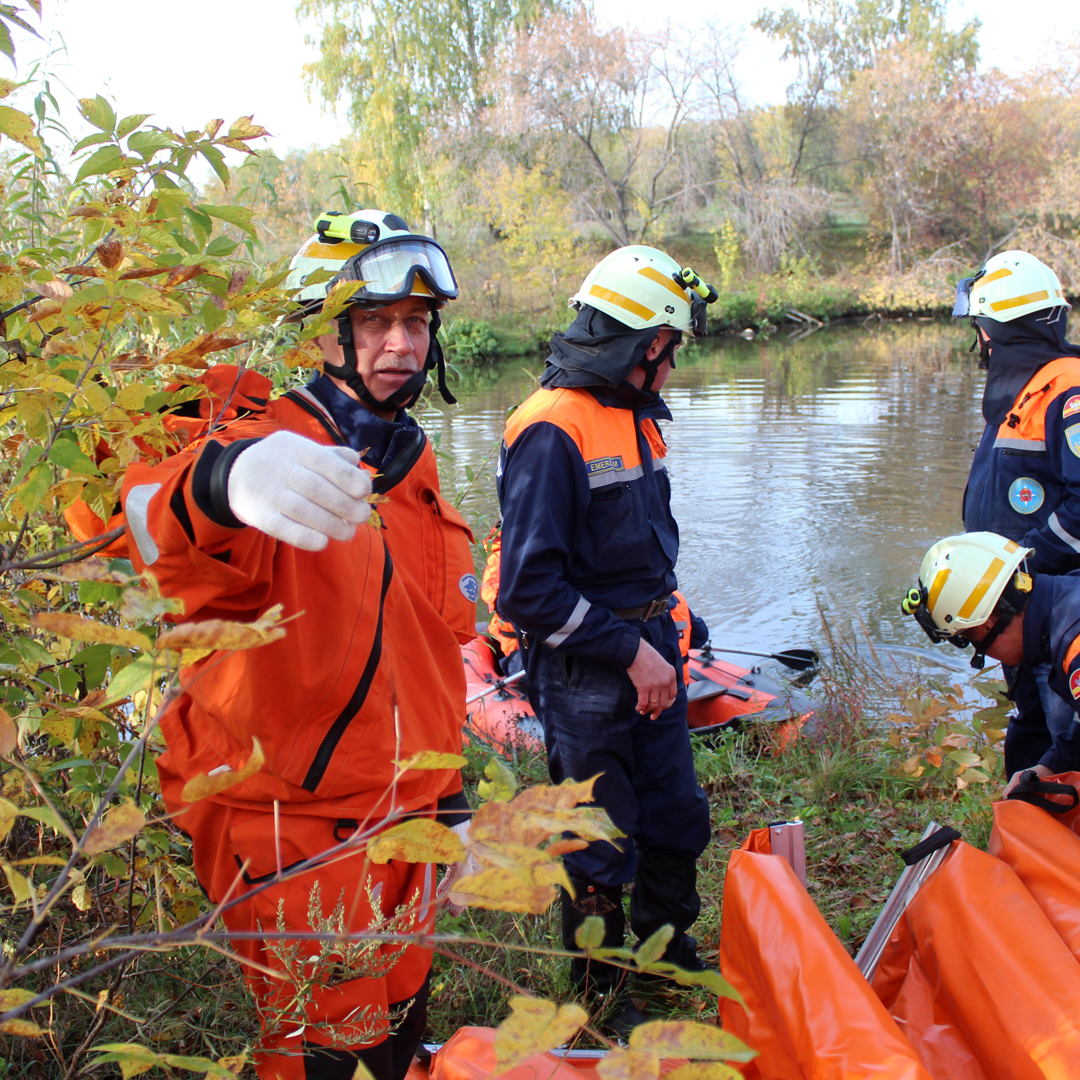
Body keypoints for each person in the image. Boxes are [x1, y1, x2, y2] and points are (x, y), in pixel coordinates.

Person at [118, 209, 476, 1080]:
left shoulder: (406, 459)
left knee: (397, 1024)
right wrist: (223, 478)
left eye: (417, 323)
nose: (401, 344)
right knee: (320, 1054)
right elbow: (126, 511)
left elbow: (424, 649)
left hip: (407, 809)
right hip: (292, 819)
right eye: (375, 322)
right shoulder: (246, 426)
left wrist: (451, 795)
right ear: (323, 332)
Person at [495, 246, 717, 1033]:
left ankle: (663, 950)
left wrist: (671, 621)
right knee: (596, 841)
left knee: (677, 815)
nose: (674, 363)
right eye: (671, 347)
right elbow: (528, 591)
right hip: (588, 669)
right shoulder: (552, 430)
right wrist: (631, 652)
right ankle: (598, 996)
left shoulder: (628, 411)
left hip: (651, 642)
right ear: (641, 343)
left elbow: (640, 544)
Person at [953, 250, 1080, 778]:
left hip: (1059, 610)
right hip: (1021, 611)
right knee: (1031, 737)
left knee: (1063, 740)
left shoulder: (1067, 390)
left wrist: (1021, 566)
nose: (978, 340)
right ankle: (1027, 844)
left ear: (993, 329)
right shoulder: (1024, 387)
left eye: (980, 326)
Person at [902, 530, 1080, 792]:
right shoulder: (1066, 599)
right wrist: (1050, 766)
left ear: (986, 626)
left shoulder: (1074, 648)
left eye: (969, 640)